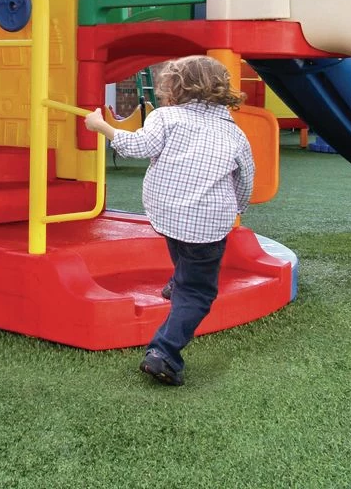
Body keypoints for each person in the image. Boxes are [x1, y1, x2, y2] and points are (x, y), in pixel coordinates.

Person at [84, 55, 255, 387]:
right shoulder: (234, 133)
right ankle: (164, 352)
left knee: (182, 245)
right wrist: (239, 207)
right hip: (207, 221)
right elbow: (245, 178)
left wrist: (101, 126)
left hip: (167, 212)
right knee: (199, 292)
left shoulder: (166, 117)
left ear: (174, 88)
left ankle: (178, 282)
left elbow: (137, 146)